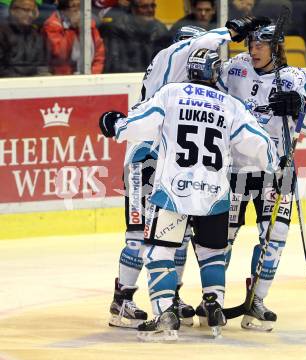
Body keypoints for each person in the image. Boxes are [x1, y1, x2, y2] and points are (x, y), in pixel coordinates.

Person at [99, 48, 279, 340]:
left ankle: (165, 315)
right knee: (212, 253)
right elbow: (258, 144)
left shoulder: (171, 94)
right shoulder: (230, 105)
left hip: (173, 192)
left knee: (161, 251)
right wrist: (275, 159)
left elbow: (138, 125)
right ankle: (214, 307)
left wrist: (115, 125)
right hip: (215, 194)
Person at [216, 24, 306, 332]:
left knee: (274, 237)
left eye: (261, 45)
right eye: (251, 44)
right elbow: (210, 101)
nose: (253, 50)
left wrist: (297, 107)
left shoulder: (295, 78)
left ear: (275, 48)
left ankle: (256, 301)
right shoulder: (233, 69)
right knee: (220, 239)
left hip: (278, 169)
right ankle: (214, 298)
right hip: (233, 168)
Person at [99, 0, 169, 73]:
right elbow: (115, 64)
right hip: (126, 78)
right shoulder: (117, 28)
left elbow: (164, 62)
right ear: (133, 9)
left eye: (153, 6)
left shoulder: (160, 29)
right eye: (144, 7)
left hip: (151, 78)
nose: (150, 10)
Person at [42, 0, 105, 75]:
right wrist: (73, 28)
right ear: (64, 9)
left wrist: (93, 75)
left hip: (89, 77)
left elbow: (99, 53)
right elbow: (60, 55)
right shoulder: (51, 25)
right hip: (62, 78)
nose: (78, 9)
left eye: (80, 5)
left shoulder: (88, 23)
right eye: (73, 6)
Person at [0, 0, 48, 77]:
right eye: (26, 10)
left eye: (32, 11)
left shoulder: (36, 35)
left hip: (31, 83)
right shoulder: (2, 33)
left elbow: (41, 65)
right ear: (13, 11)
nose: (30, 15)